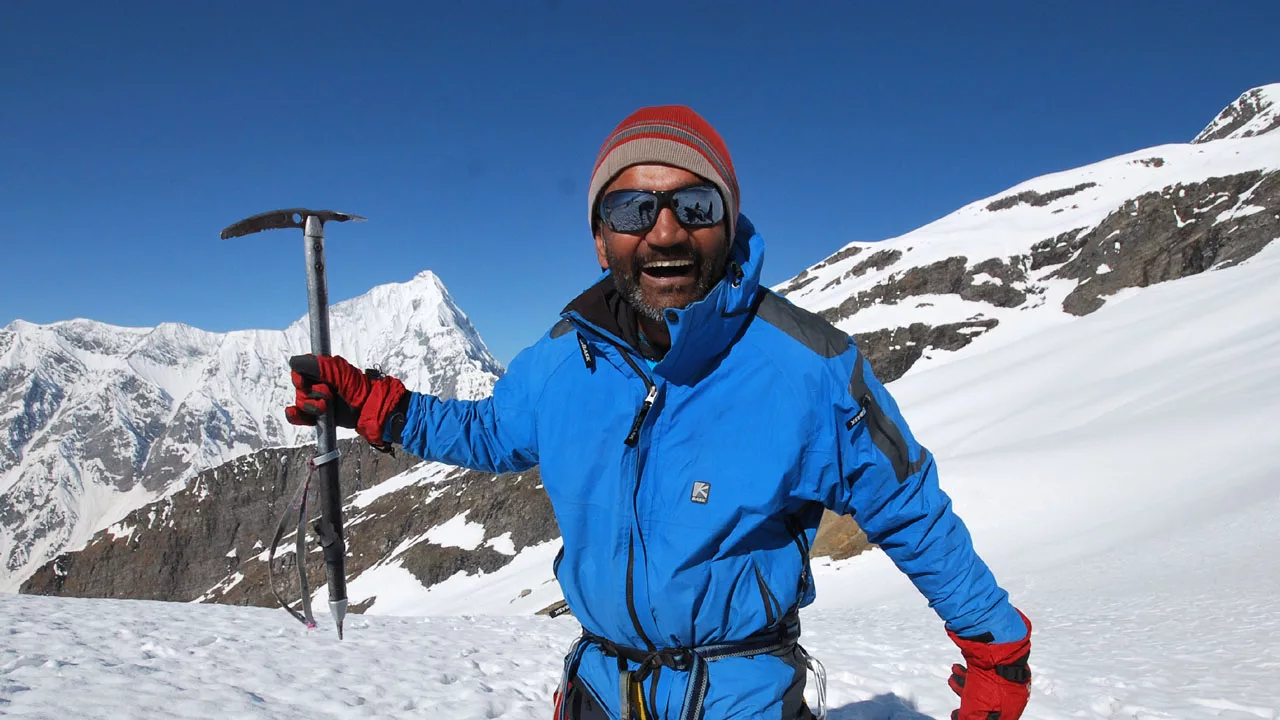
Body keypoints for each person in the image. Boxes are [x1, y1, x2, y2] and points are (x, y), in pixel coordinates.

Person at [285, 105, 1033, 720]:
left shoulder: (810, 369)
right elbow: (493, 433)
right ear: (599, 235)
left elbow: (907, 506)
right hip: (601, 693)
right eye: (633, 208)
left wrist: (994, 646)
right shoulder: (561, 359)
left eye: (694, 205)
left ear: (729, 222)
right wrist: (378, 407)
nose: (666, 231)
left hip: (740, 699)